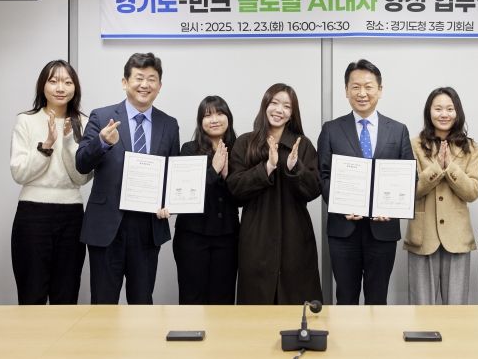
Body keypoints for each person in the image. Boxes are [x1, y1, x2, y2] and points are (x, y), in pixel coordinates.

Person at [76, 52, 180, 304]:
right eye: (139, 78)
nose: (145, 85)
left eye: (151, 79)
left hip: (148, 227)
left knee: (142, 303)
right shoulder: (101, 117)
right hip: (107, 225)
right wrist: (102, 142)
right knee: (103, 304)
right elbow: (81, 164)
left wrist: (170, 201)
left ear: (159, 86)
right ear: (125, 82)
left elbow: (172, 173)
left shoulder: (169, 124)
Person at [317, 59, 414, 305]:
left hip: (383, 230)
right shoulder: (331, 129)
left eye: (368, 87)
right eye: (355, 87)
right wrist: (341, 205)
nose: (362, 93)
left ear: (379, 90)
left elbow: (408, 176)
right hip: (343, 230)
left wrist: (392, 208)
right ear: (346, 90)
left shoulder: (398, 130)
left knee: (377, 299)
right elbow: (322, 175)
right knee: (345, 298)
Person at [226, 83, 322, 304]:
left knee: (296, 302)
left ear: (292, 113)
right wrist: (267, 167)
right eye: (275, 103)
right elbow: (235, 189)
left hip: (295, 234)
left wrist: (294, 168)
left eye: (287, 106)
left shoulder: (302, 145)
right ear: (265, 105)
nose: (279, 110)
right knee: (257, 304)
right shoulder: (245, 143)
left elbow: (314, 189)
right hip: (256, 236)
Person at [10, 60, 92, 304]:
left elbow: (81, 177)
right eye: (53, 81)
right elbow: (19, 173)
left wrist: (67, 142)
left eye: (67, 82)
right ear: (42, 85)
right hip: (32, 214)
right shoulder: (26, 120)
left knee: (66, 295)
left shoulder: (84, 122)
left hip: (72, 215)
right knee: (31, 293)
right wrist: (46, 146)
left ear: (75, 87)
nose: (60, 88)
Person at [404, 87, 478, 305]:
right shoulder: (414, 145)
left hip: (457, 237)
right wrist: (437, 168)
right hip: (422, 236)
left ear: (457, 112)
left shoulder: (471, 147)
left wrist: (451, 168)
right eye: (438, 109)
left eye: (449, 109)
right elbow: (409, 191)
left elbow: (473, 192)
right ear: (429, 112)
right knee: (420, 309)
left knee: (456, 312)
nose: (444, 114)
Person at [173, 96, 239, 304]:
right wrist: (214, 170)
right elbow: (185, 193)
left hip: (228, 237)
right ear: (200, 121)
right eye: (208, 115)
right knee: (191, 298)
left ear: (228, 118)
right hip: (192, 237)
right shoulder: (189, 149)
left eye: (220, 113)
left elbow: (244, 197)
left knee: (223, 299)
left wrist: (228, 177)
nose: (214, 119)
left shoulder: (239, 150)